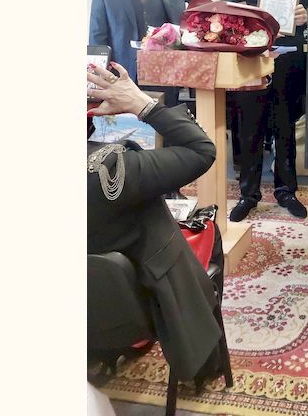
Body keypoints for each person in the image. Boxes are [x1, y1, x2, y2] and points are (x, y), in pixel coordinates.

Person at [86, 61, 226, 387]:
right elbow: (201, 150)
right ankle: (205, 363)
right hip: (141, 311)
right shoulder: (110, 170)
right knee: (207, 233)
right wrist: (142, 104)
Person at [221, 0, 308, 221]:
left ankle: (287, 192)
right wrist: (244, 14)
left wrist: (307, 15)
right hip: (251, 62)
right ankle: (248, 194)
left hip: (288, 60)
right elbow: (226, 13)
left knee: (285, 127)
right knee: (250, 129)